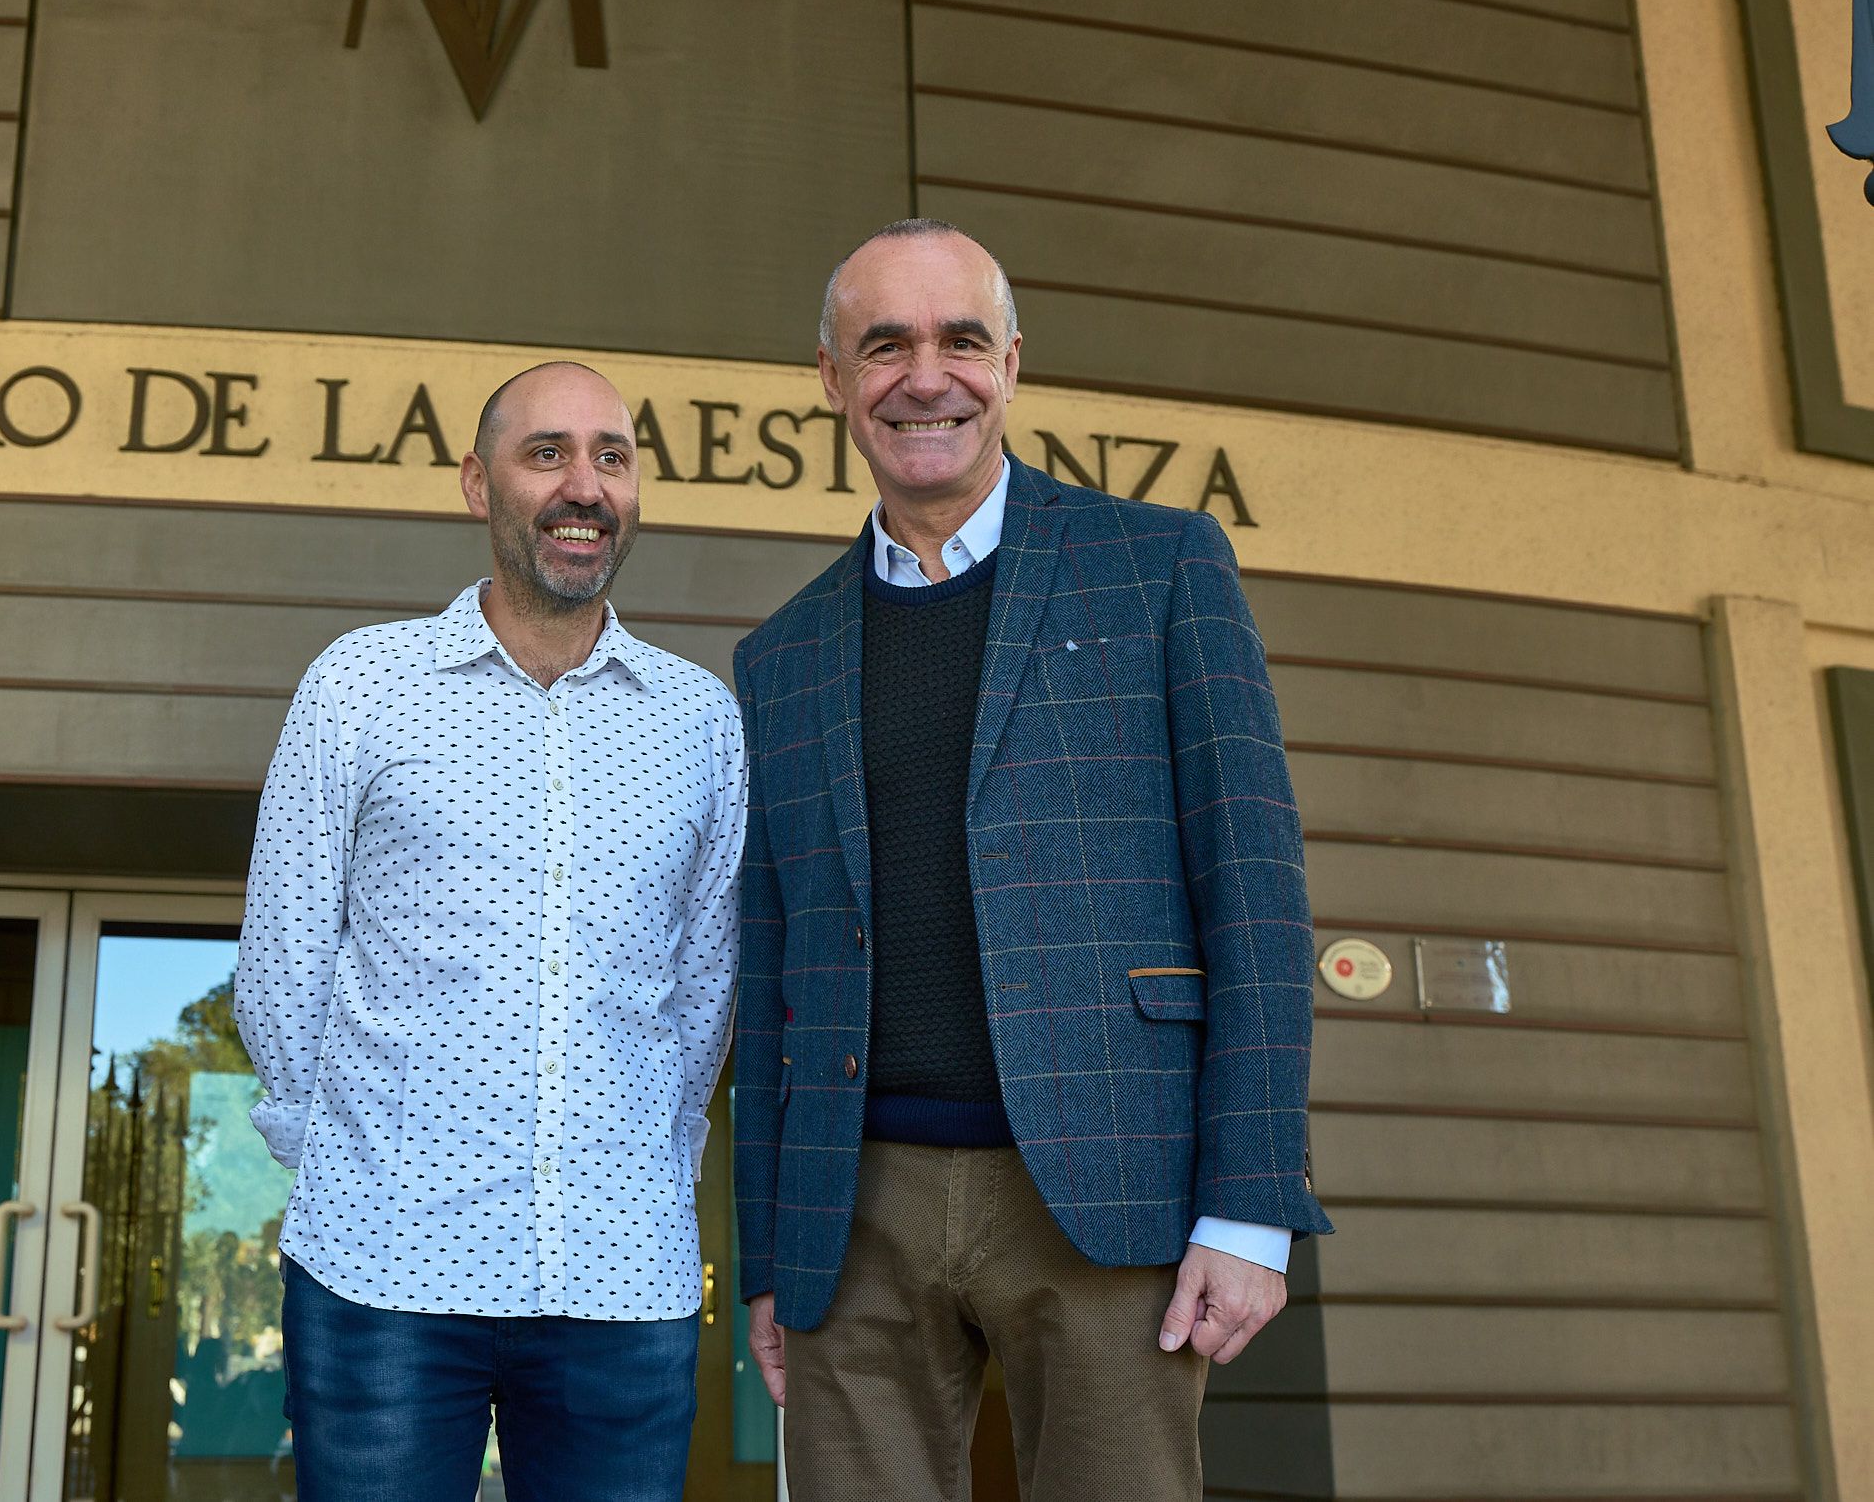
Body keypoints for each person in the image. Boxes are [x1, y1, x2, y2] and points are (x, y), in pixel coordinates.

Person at [732, 220, 1332, 1500]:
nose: (925, 376)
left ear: (1009, 363)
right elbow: (772, 965)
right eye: (883, 345)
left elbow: (1256, 895)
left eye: (960, 339)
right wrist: (770, 1252)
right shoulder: (779, 656)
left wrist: (1250, 1203)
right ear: (831, 378)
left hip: (1109, 1178)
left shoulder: (1160, 566)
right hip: (853, 1207)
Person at [236, 362, 745, 1502]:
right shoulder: (359, 686)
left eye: (612, 457)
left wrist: (647, 1173)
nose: (585, 486)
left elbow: (702, 996)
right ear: (478, 483)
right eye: (546, 453)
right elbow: (282, 966)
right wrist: (348, 1164)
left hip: (621, 1280)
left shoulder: (700, 721)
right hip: (381, 1271)